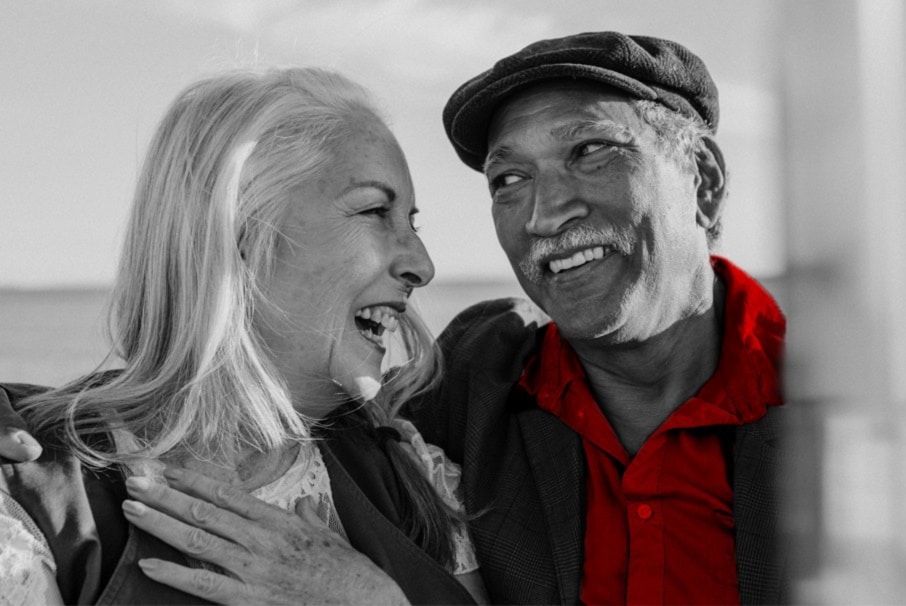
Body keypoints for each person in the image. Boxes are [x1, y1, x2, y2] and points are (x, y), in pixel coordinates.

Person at [1, 31, 787, 605]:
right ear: (239, 233)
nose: (545, 212)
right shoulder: (457, 410)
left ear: (705, 184)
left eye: (591, 151)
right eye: (508, 177)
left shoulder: (853, 409)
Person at [0, 67, 487, 605]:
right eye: (375, 211)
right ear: (242, 232)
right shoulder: (36, 504)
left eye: (412, 223)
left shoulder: (414, 476)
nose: (422, 264)